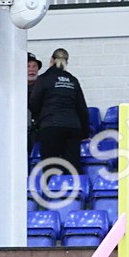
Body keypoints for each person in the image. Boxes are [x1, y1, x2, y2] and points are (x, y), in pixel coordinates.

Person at [28, 48, 90, 176]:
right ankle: (74, 192)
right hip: (73, 127)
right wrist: (84, 132)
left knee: (51, 165)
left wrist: (41, 118)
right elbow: (82, 108)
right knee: (72, 166)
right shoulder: (73, 80)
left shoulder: (44, 79)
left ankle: (52, 191)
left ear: (51, 60)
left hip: (51, 126)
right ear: (66, 61)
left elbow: (33, 103)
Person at [27, 52, 42, 156]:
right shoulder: (13, 88)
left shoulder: (44, 86)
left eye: (34, 66)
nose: (31, 69)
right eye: (28, 66)